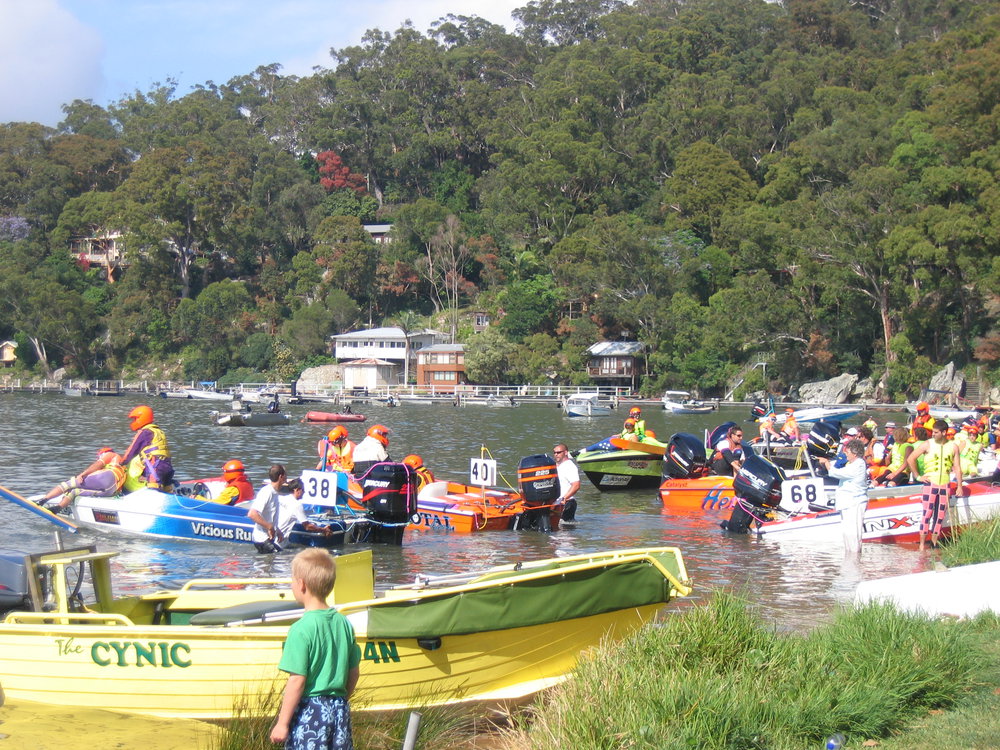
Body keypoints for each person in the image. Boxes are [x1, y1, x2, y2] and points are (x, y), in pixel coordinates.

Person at [270, 547, 361, 749]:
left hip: (311, 711)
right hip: (339, 709)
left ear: (301, 584)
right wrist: (342, 699)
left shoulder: (301, 629)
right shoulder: (344, 624)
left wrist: (282, 724)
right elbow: (354, 672)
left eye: (292, 580)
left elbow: (297, 680)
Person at [906, 419, 963, 550]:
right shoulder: (928, 444)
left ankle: (934, 543)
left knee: (939, 516)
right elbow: (911, 458)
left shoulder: (953, 446)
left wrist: (959, 486)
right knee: (927, 514)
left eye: (936, 432)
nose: (933, 434)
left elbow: (957, 467)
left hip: (945, 484)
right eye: (933, 432)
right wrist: (918, 476)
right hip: (930, 483)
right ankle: (921, 545)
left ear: (944, 432)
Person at [249, 467, 333, 553]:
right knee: (278, 559)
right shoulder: (267, 492)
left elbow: (271, 516)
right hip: (263, 539)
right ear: (281, 477)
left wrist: (278, 531)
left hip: (268, 539)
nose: (304, 492)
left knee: (270, 563)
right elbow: (252, 514)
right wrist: (270, 527)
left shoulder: (278, 495)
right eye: (286, 474)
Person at [30, 446, 127, 512]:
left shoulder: (111, 455)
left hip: (107, 477)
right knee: (75, 491)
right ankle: (57, 509)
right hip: (110, 491)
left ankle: (42, 500)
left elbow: (98, 464)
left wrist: (83, 474)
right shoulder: (123, 466)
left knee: (68, 484)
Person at [817, 438, 869, 556]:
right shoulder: (852, 464)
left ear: (854, 453)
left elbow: (838, 473)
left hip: (855, 503)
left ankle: (855, 561)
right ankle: (850, 560)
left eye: (847, 453)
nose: (846, 455)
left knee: (854, 534)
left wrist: (826, 463)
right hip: (847, 504)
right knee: (847, 533)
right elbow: (837, 469)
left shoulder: (859, 464)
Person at [121, 405, 174, 492]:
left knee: (153, 489)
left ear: (141, 418)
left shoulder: (145, 432)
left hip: (156, 465)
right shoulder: (158, 431)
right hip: (167, 465)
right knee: (167, 490)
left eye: (135, 419)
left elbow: (131, 451)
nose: (134, 422)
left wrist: (122, 463)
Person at [553, 442, 581, 522]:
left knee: (565, 531)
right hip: (556, 504)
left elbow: (576, 485)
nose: (556, 454)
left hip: (567, 503)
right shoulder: (555, 466)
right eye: (554, 452)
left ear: (565, 453)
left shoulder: (569, 466)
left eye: (558, 452)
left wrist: (564, 498)